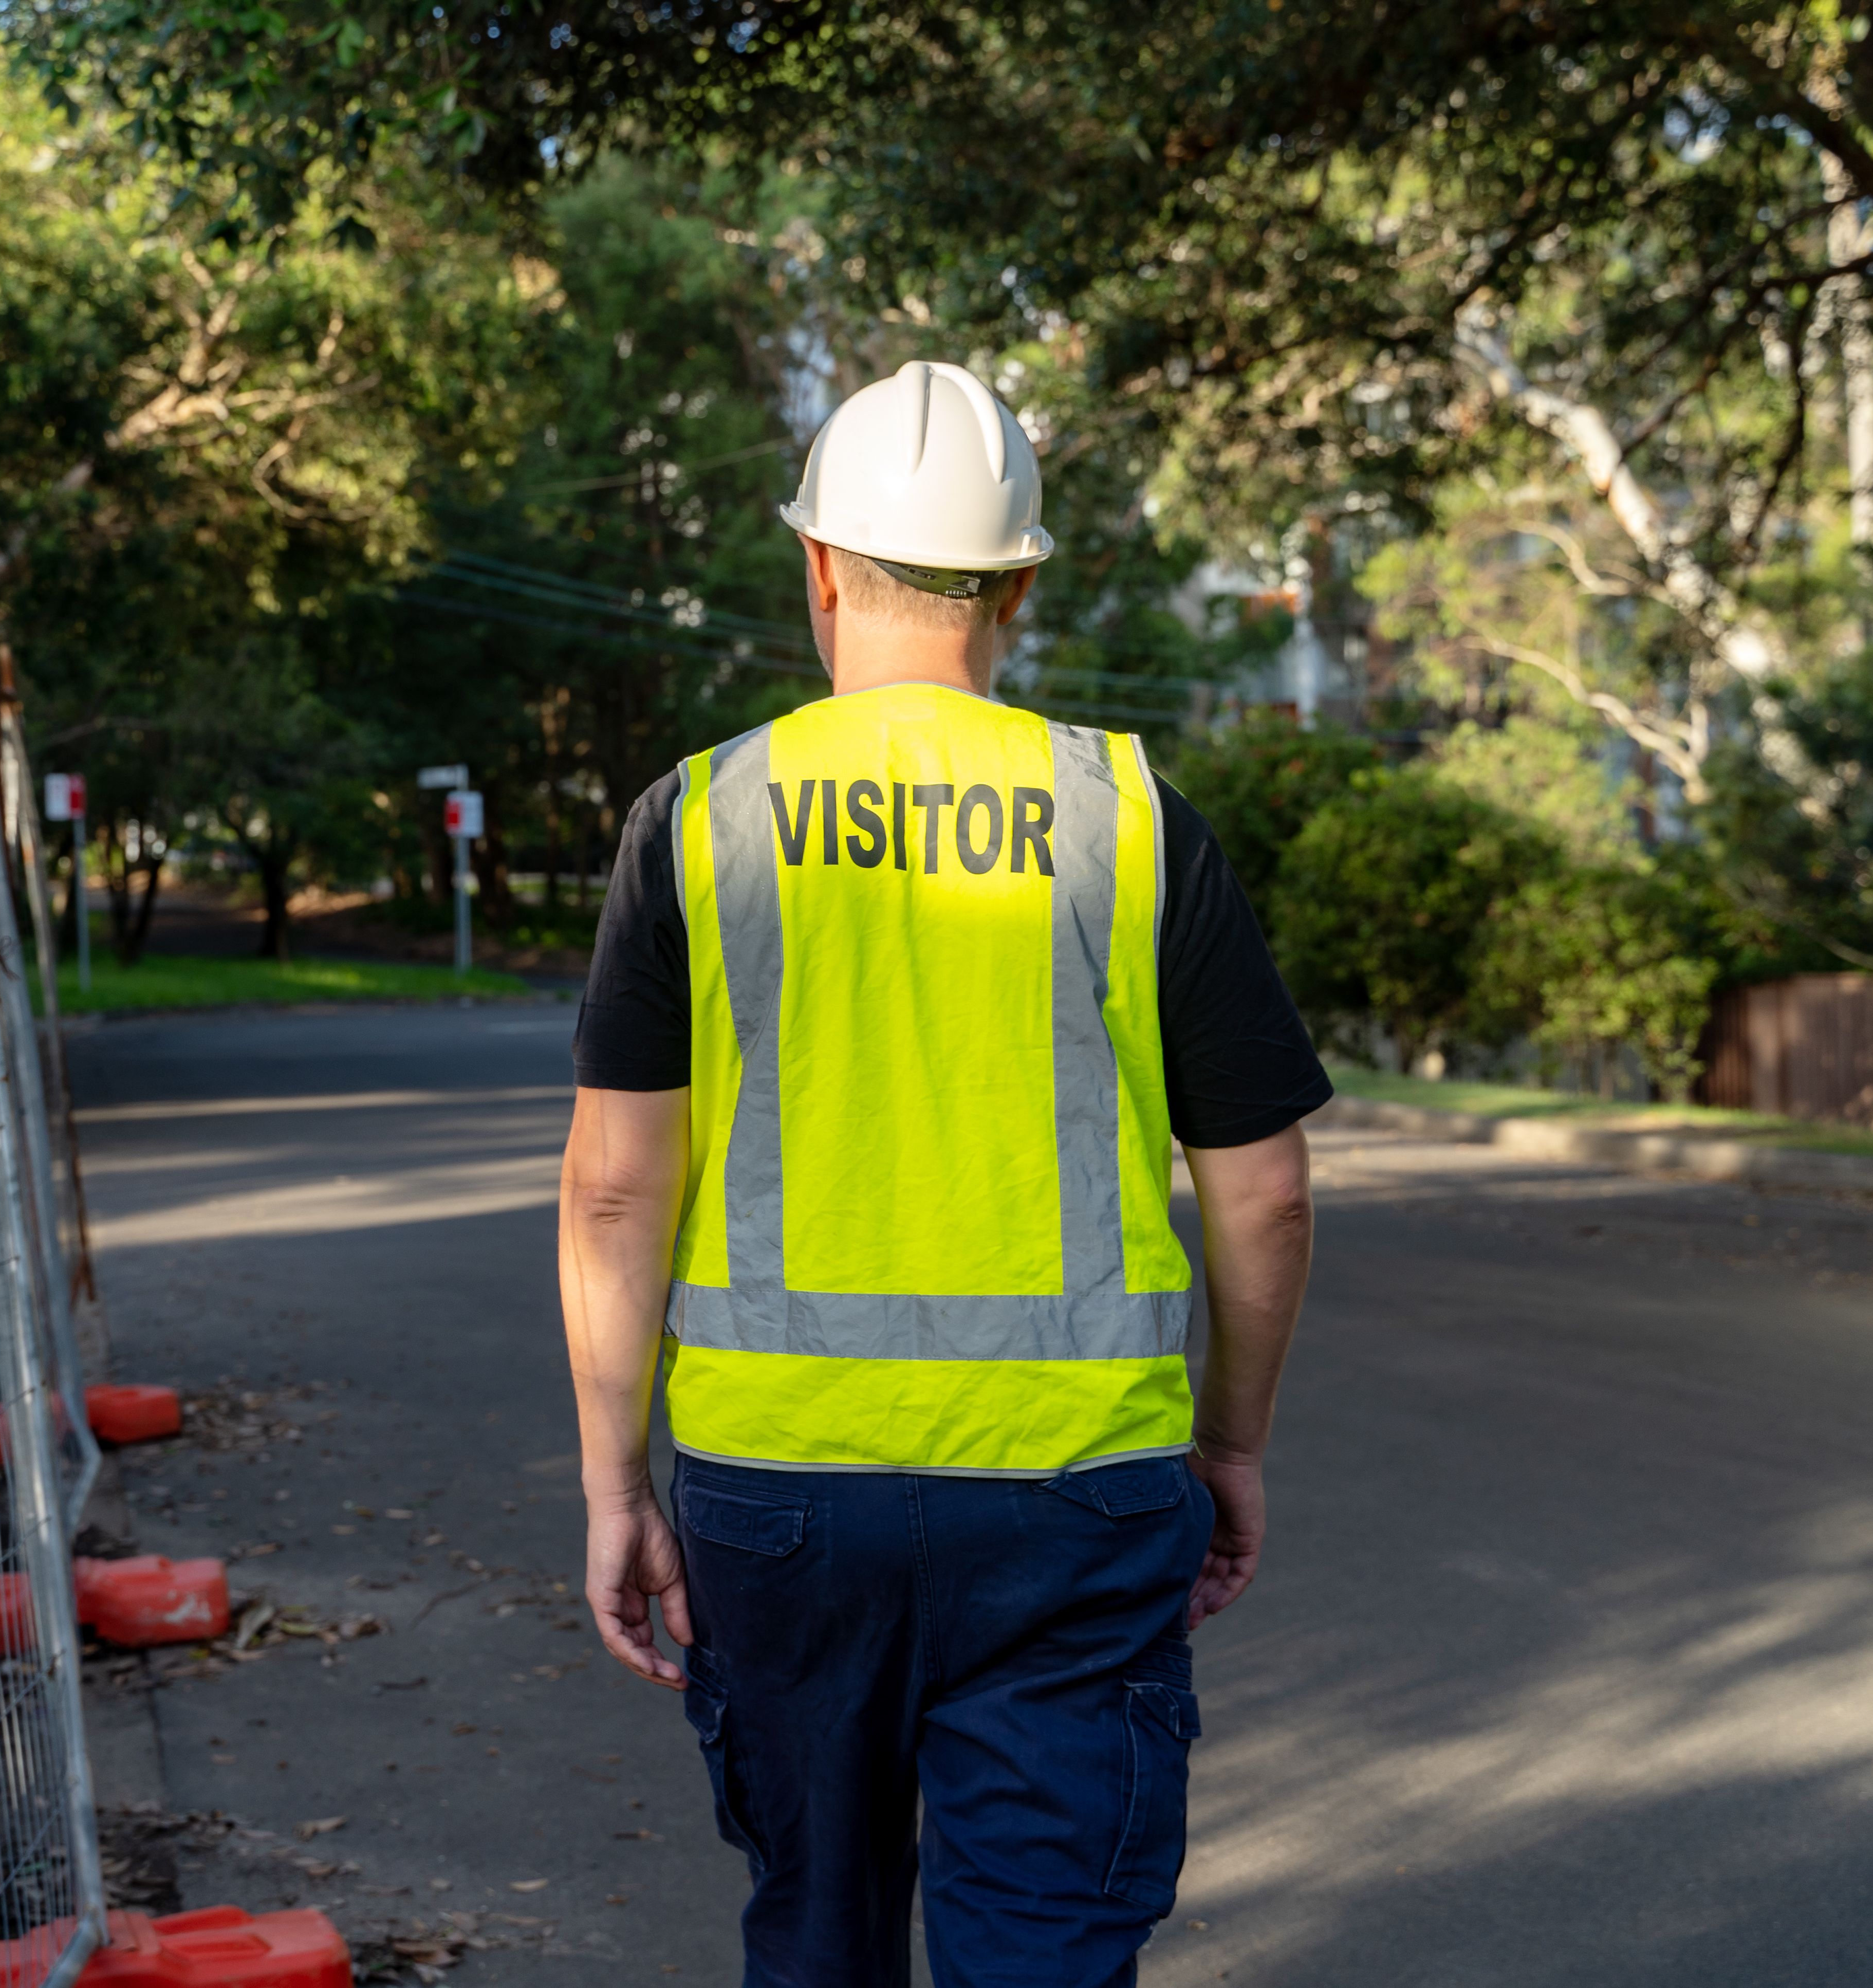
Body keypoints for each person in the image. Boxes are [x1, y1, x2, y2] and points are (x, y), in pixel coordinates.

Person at [555, 359, 1328, 1986]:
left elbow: (615, 1194)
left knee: (816, 1936)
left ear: (818, 567)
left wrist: (616, 1481)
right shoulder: (1132, 821)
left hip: (778, 1497)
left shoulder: (695, 820)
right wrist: (1232, 1443)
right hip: (1074, 1497)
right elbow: (1263, 1191)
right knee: (1043, 1953)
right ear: (1020, 585)